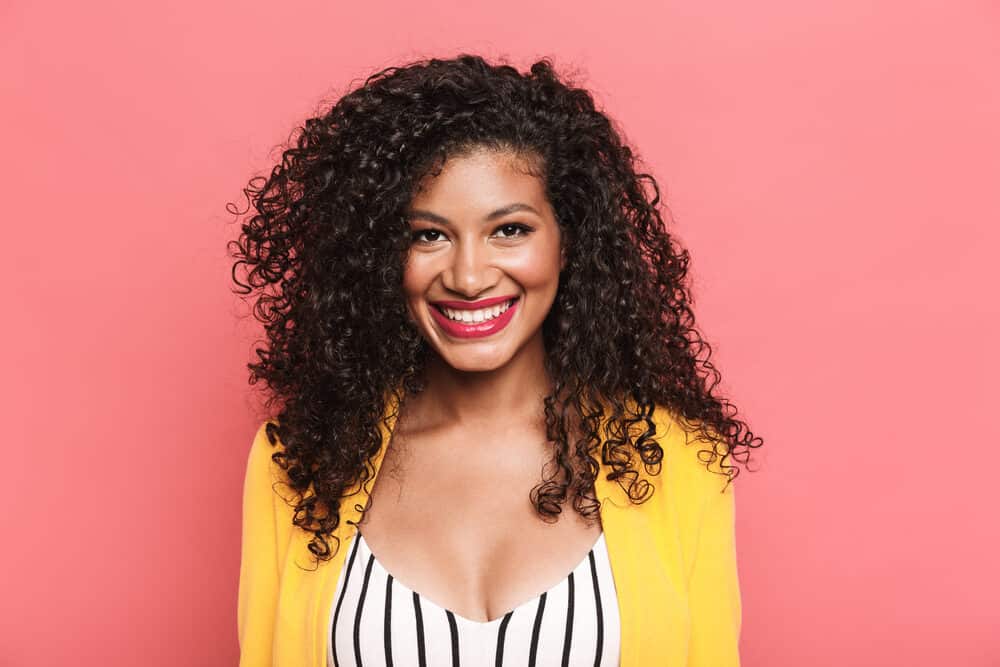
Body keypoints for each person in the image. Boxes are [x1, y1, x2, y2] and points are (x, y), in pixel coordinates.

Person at [230, 53, 762, 667]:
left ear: (571, 241)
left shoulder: (678, 459)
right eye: (427, 235)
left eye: (509, 229)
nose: (469, 276)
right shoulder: (300, 459)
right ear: (377, 253)